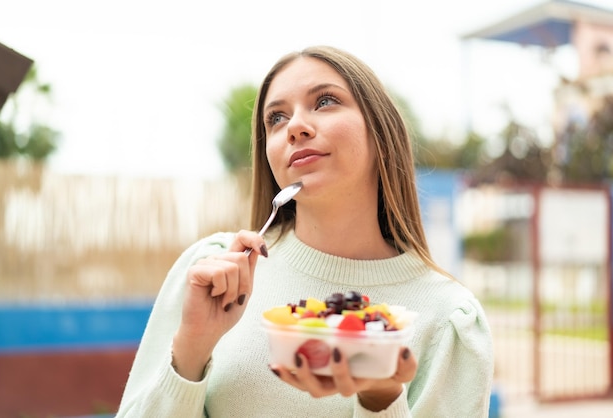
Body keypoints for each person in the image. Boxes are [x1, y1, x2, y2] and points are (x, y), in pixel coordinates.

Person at [116, 45, 494, 418]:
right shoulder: (211, 274)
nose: (294, 126)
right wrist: (191, 349)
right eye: (276, 119)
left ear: (380, 133)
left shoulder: (448, 319)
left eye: (326, 101)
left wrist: (381, 397)